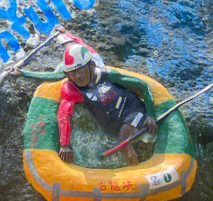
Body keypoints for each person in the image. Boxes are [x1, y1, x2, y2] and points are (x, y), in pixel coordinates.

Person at [11, 42, 158, 165]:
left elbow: (143, 86)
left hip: (134, 111)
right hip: (113, 124)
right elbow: (64, 116)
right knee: (119, 136)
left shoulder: (109, 75)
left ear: (91, 65)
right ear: (67, 74)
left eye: (81, 71)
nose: (78, 76)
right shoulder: (72, 90)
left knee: (123, 139)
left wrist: (150, 115)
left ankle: (135, 174)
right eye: (73, 73)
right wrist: (65, 145)